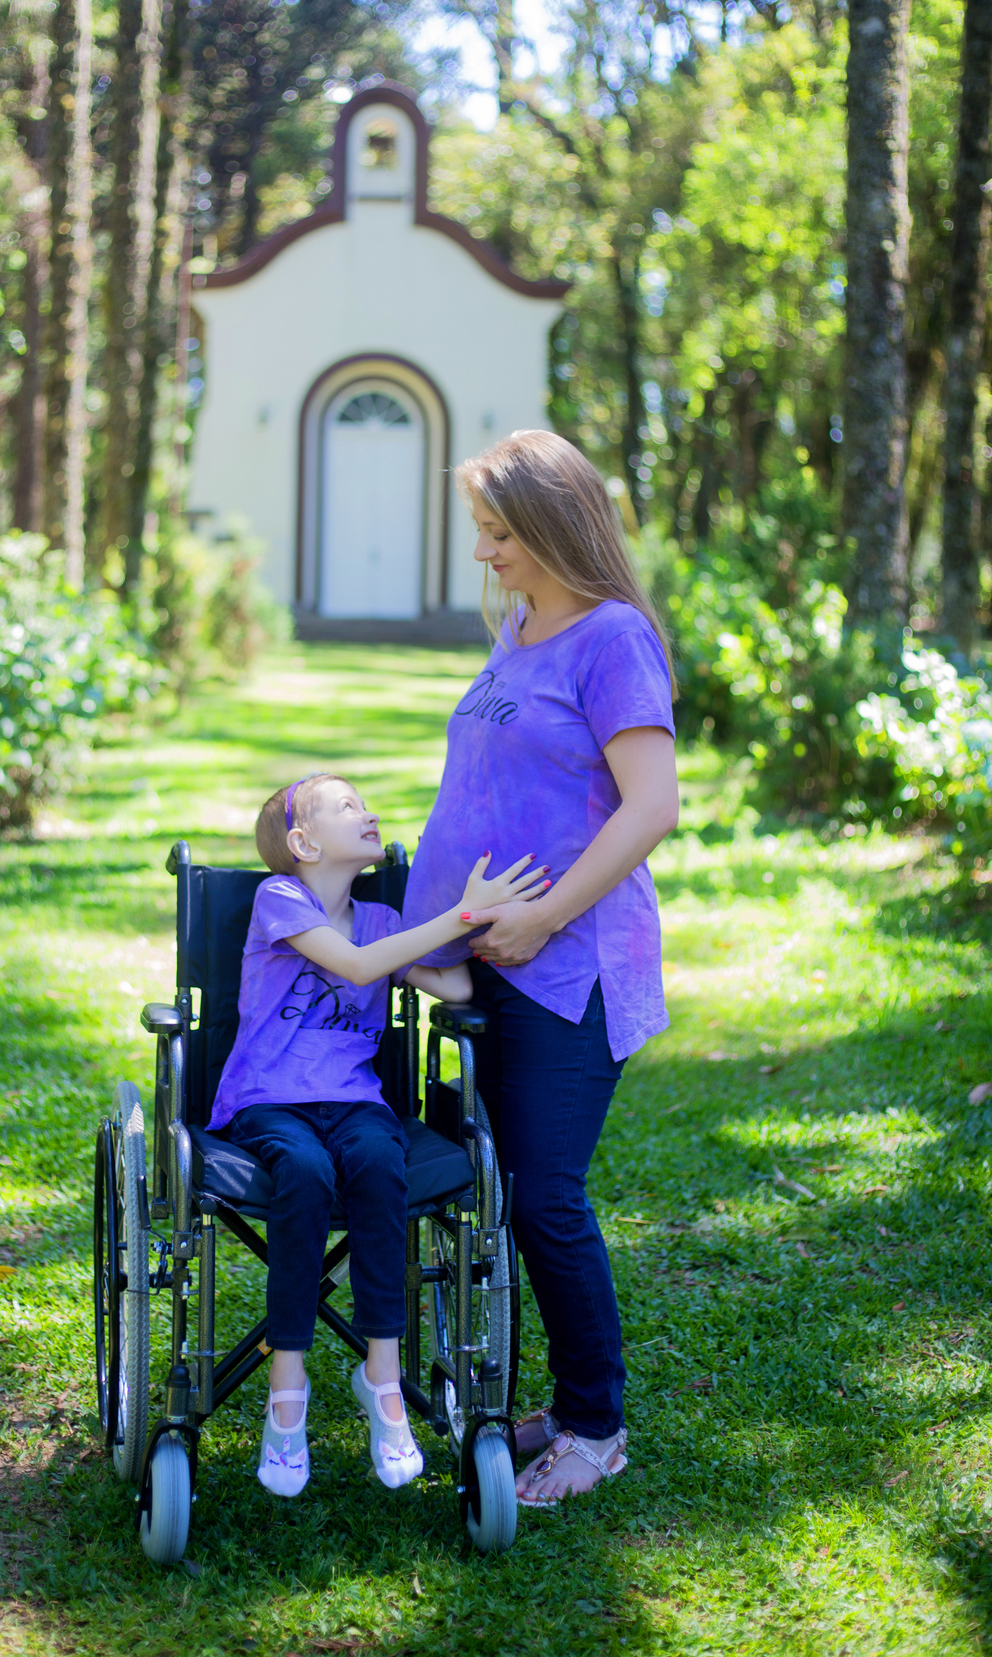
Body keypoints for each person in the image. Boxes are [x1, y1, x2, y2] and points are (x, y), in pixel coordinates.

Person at [402, 429, 679, 1506]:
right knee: (506, 1190)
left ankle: (596, 1428)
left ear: (557, 527)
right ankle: (564, 1410)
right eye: (481, 529)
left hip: (574, 964)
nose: (485, 552)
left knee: (545, 1195)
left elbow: (651, 807)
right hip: (498, 960)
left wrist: (545, 918)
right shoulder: (517, 630)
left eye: (501, 531)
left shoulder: (612, 640)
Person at [209, 772, 546, 1499]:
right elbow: (359, 967)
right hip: (271, 1103)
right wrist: (461, 913)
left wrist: (489, 926)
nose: (367, 812)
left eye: (364, 803)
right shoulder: (282, 900)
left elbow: (452, 989)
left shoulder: (387, 919)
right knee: (302, 1172)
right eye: (346, 807)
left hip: (358, 1103)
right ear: (302, 842)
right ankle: (286, 1385)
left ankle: (383, 1380)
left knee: (377, 1162)